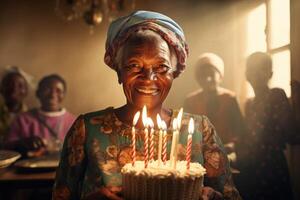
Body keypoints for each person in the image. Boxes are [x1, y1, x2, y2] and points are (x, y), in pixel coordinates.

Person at [53, 10, 241, 200]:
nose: (148, 78)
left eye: (162, 67)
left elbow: (230, 196)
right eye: (134, 66)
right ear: (119, 71)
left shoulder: (201, 131)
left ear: (174, 73)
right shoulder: (86, 129)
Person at [241, 52, 297, 200]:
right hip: (251, 167)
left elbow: (291, 133)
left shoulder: (276, 95)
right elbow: (246, 138)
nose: (257, 73)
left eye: (262, 69)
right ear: (247, 74)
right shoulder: (249, 104)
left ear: (270, 73)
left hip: (273, 166)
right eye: (252, 68)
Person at [184, 53, 246, 156]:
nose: (207, 79)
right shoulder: (190, 101)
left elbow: (240, 130)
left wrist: (232, 145)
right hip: (199, 152)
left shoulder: (230, 98)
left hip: (226, 152)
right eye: (203, 75)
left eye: (211, 74)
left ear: (220, 76)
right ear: (197, 78)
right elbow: (185, 131)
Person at [7, 74, 75, 157]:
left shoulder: (73, 122)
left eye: (58, 90)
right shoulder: (23, 119)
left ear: (64, 95)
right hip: (30, 168)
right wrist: (22, 144)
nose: (52, 95)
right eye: (47, 89)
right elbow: (8, 147)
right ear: (38, 93)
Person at [0, 66, 30, 148]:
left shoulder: (32, 118)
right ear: (1, 89)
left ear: (26, 91)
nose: (14, 88)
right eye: (9, 84)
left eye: (20, 86)